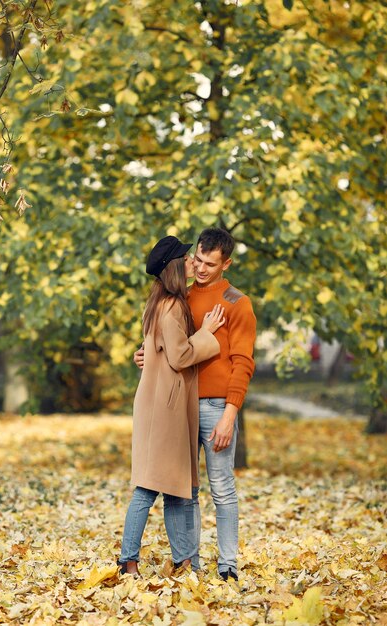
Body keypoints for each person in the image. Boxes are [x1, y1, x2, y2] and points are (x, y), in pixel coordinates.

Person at [135, 228, 256, 582]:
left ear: (226, 263)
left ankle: (228, 565)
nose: (201, 268)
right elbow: (166, 344)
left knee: (222, 488)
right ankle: (190, 562)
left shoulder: (237, 302)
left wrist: (229, 415)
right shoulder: (180, 296)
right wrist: (145, 356)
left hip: (218, 407)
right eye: (198, 260)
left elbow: (243, 363)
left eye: (210, 264)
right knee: (184, 490)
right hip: (180, 408)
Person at [118, 235, 225, 575]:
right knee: (150, 486)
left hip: (159, 405)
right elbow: (180, 356)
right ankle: (128, 561)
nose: (195, 261)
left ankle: (185, 560)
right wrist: (207, 332)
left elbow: (158, 351)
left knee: (177, 487)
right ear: (176, 267)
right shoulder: (174, 306)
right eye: (188, 258)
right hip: (165, 410)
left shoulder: (158, 302)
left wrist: (145, 355)